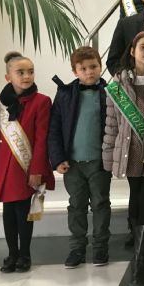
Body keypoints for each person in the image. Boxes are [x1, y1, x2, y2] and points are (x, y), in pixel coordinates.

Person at [103, 32, 144, 286]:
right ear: (132, 50)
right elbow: (111, 123)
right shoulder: (118, 83)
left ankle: (139, 264)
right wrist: (109, 155)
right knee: (135, 197)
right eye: (143, 47)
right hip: (129, 151)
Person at [0, 52, 55, 274]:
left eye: (30, 72)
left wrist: (37, 169)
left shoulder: (42, 101)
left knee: (23, 211)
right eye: (20, 72)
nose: (27, 76)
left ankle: (24, 254)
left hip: (26, 166)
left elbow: (41, 139)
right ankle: (12, 254)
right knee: (8, 211)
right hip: (3, 167)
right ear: (8, 77)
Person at [48, 46, 111, 270]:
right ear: (75, 71)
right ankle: (77, 248)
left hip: (99, 162)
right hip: (72, 163)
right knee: (76, 205)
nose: (89, 72)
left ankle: (100, 246)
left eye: (93, 66)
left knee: (101, 203)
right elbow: (54, 128)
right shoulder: (65, 95)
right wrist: (57, 159)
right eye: (83, 68)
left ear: (100, 67)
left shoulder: (109, 92)